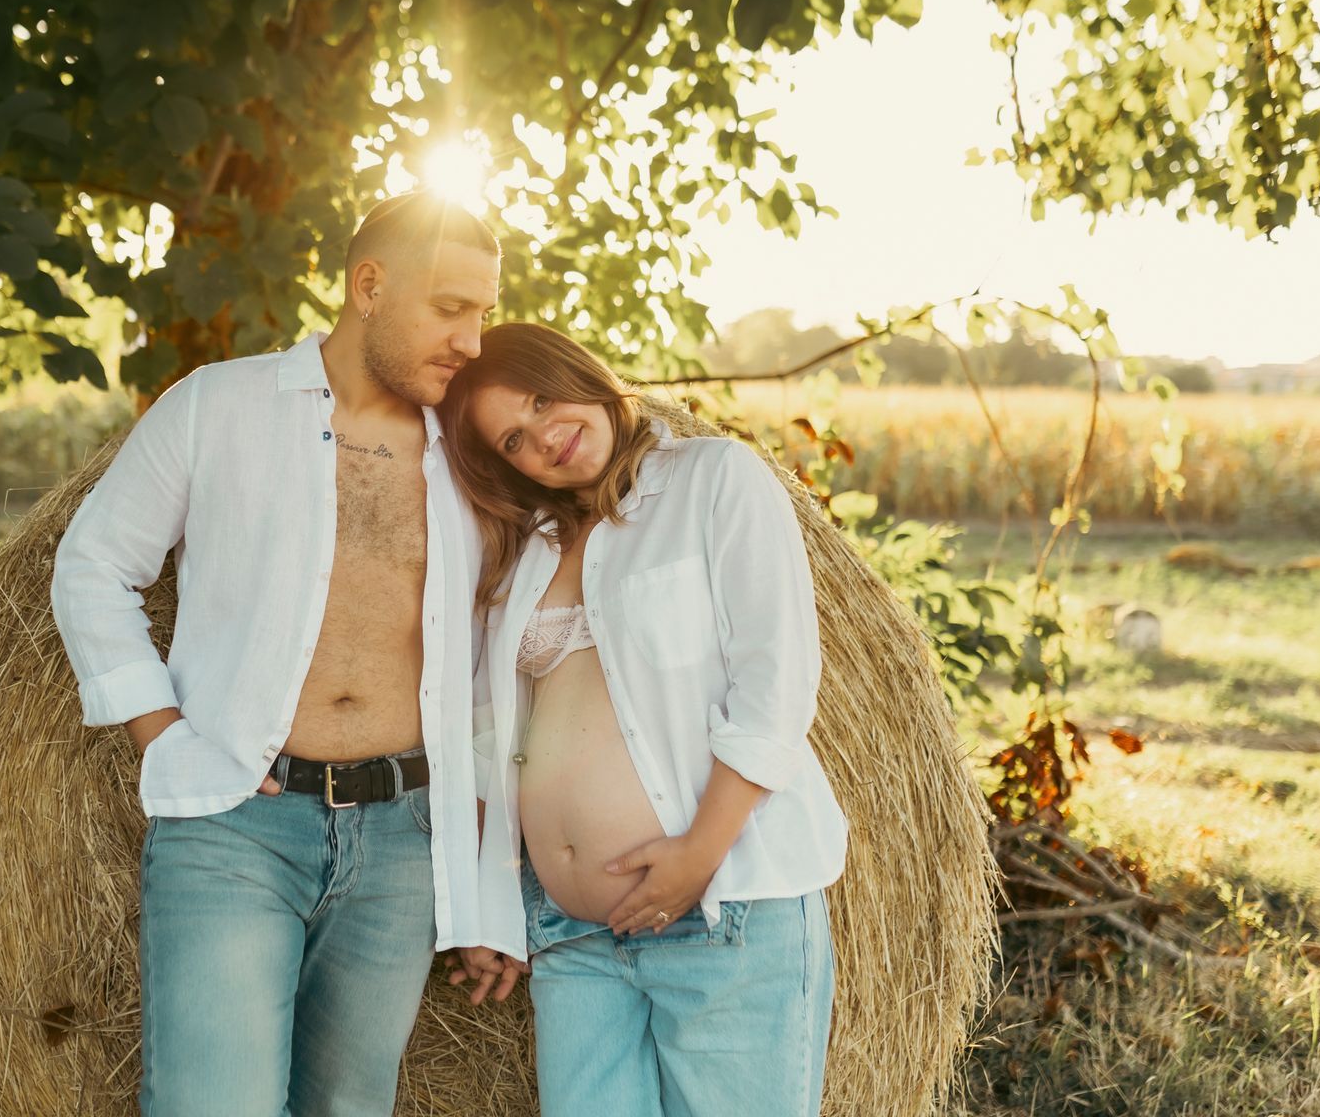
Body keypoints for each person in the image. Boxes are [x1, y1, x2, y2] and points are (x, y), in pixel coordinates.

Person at [49, 192, 518, 1117]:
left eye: (484, 314)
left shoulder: (472, 454)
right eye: (450, 308)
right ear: (368, 286)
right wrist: (164, 736)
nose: (472, 341)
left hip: (404, 838)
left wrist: (487, 871)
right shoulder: (217, 406)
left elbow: (506, 656)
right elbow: (93, 565)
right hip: (236, 825)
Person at [438, 322, 848, 1117]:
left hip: (720, 908)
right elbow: (490, 738)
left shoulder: (714, 478)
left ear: (578, 373)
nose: (543, 437)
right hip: (570, 934)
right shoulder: (528, 549)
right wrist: (490, 902)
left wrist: (698, 854)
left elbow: (775, 686)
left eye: (541, 399)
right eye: (513, 440)